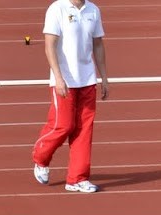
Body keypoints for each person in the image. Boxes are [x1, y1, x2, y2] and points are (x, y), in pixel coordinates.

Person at [32, 0, 109, 193]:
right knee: (63, 125)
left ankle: (77, 178)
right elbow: (50, 45)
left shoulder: (93, 10)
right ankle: (41, 157)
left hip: (87, 80)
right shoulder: (57, 8)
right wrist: (58, 77)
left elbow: (98, 44)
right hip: (65, 80)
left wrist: (104, 78)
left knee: (84, 130)